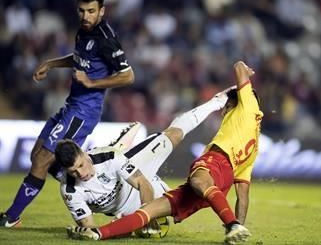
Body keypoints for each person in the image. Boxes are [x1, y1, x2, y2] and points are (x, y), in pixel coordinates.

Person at [66, 61, 264, 244]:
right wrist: (241, 226)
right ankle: (97, 234)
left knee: (198, 180)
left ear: (235, 102)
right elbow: (243, 195)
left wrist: (245, 72)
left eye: (226, 107)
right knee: (149, 211)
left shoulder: (249, 105)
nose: (224, 113)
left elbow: (238, 67)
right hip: (220, 183)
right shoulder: (253, 147)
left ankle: (232, 225)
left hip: (217, 161)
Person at [0, 0, 135, 227]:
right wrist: (51, 64)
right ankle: (97, 189)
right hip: (71, 106)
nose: (86, 15)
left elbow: (127, 76)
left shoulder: (106, 39)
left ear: (101, 11)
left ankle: (11, 217)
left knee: (42, 160)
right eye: (82, 11)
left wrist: (92, 83)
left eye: (91, 11)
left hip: (83, 113)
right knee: (37, 157)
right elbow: (81, 59)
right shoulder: (84, 31)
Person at [57, 89, 230, 234]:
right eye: (73, 171)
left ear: (83, 153)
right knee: (186, 202)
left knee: (173, 135)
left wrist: (148, 215)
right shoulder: (69, 190)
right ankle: (121, 146)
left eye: (80, 165)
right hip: (124, 209)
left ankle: (217, 101)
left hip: (138, 172)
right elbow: (90, 228)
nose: (80, 174)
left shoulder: (108, 158)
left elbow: (141, 182)